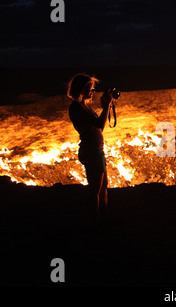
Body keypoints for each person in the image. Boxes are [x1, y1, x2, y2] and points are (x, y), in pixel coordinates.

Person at [67, 73, 113, 228]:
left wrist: (105, 105)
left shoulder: (85, 106)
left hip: (97, 151)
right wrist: (106, 105)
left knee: (103, 186)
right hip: (91, 152)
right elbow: (100, 125)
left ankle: (105, 218)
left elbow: (99, 126)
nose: (93, 92)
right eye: (90, 89)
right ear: (81, 89)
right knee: (95, 190)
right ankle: (95, 223)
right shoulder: (76, 107)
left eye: (93, 89)